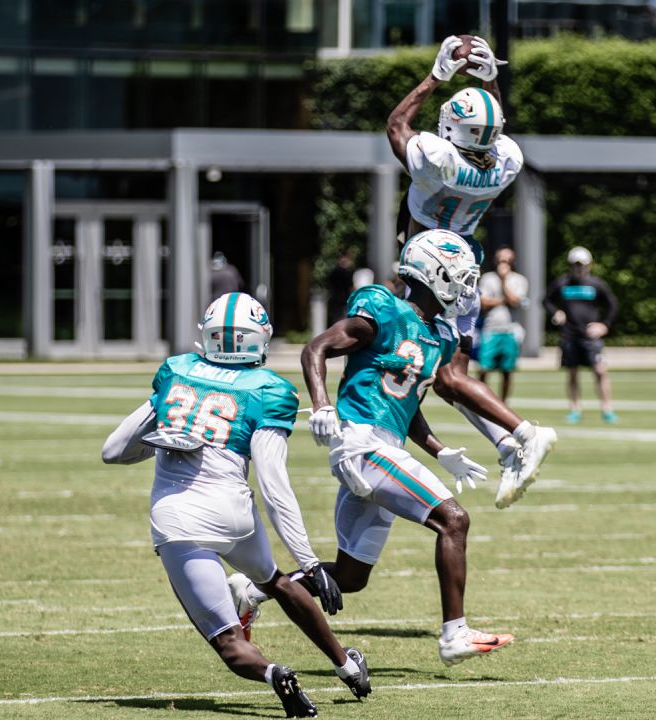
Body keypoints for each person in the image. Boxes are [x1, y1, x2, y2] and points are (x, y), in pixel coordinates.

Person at [232, 231, 515, 666]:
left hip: (379, 446)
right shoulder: (383, 309)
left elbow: (405, 405)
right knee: (453, 520)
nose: (466, 288)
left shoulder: (435, 335)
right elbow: (316, 348)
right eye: (459, 278)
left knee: (350, 576)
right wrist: (322, 404)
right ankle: (454, 633)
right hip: (361, 445)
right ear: (433, 274)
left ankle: (251, 591)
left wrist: (439, 451)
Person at [101, 292, 370, 718]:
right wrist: (311, 562)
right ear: (259, 338)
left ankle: (273, 673)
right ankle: (347, 666)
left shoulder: (178, 372)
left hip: (178, 520)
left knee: (229, 642)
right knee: (278, 582)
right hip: (234, 513)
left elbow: (113, 450)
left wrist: (168, 440)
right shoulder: (268, 389)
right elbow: (273, 486)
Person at [386, 34, 557, 509]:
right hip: (464, 265)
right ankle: (508, 446)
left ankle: (524, 431)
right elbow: (495, 132)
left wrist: (436, 76)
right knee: (447, 375)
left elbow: (397, 124)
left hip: (428, 270)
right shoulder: (506, 163)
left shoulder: (436, 160)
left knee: (421, 368)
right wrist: (491, 80)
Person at [544, 246, 619, 424]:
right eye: (575, 265)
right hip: (569, 335)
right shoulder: (562, 283)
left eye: (582, 265)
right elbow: (546, 299)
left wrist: (604, 325)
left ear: (589, 265)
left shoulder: (596, 284)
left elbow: (613, 305)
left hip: (591, 337)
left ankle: (607, 409)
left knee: (600, 370)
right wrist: (556, 312)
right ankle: (575, 408)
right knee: (572, 372)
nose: (578, 268)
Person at [477, 247, 528, 401]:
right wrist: (503, 301)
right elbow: (483, 302)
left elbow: (514, 301)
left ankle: (503, 403)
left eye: (506, 260)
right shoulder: (487, 278)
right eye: (500, 259)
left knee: (507, 370)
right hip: (490, 329)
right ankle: (480, 400)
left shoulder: (519, 280)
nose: (503, 263)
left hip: (510, 331)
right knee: (483, 368)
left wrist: (504, 280)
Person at [326, 251, 356, 323]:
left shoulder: (333, 272)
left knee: (335, 321)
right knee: (343, 322)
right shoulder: (347, 273)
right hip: (344, 301)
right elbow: (351, 288)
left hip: (334, 300)